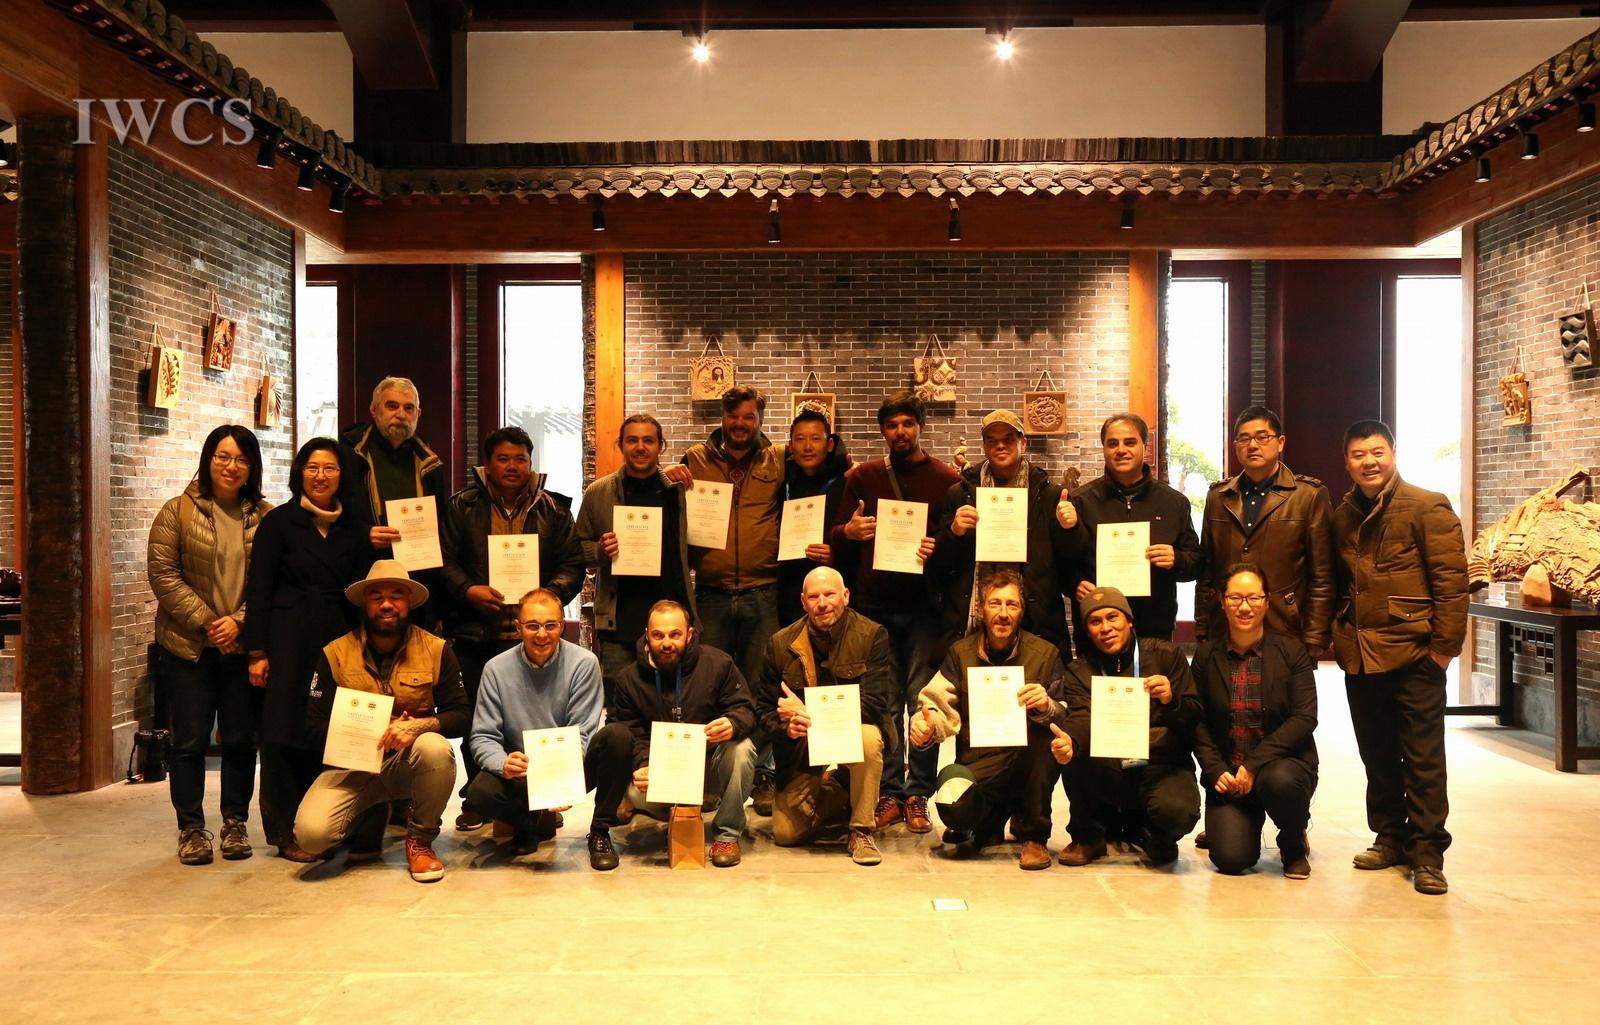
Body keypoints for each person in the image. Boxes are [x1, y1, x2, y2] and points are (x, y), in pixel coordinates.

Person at [1333, 419, 1467, 896]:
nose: (1368, 462)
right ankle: (1389, 836)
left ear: (1392, 453)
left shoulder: (1427, 506)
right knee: (1377, 754)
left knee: (1424, 759)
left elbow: (1452, 585)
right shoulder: (1343, 514)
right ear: (1346, 462)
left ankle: (1427, 853)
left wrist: (1442, 652)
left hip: (1414, 656)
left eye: (1377, 452)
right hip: (1360, 657)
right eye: (1358, 455)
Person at [441, 425, 585, 831]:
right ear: (487, 464)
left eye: (520, 459)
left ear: (530, 462)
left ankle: (544, 795)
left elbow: (573, 565)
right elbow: (444, 561)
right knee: (478, 720)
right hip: (477, 633)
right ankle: (478, 797)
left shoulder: (554, 509)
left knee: (536, 721)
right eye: (503, 459)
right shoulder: (461, 507)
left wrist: (545, 597)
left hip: (535, 639)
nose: (512, 466)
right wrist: (468, 590)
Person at [830, 389, 957, 834]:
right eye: (891, 425)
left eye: (907, 424)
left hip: (924, 610)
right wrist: (849, 531)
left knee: (923, 700)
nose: (900, 432)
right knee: (881, 702)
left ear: (920, 426)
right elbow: (835, 536)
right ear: (882, 431)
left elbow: (955, 549)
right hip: (874, 608)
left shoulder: (946, 480)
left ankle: (918, 792)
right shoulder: (863, 477)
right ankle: (889, 790)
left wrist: (937, 547)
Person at [147, 425, 273, 865]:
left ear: (252, 467)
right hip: (189, 647)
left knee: (240, 740)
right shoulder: (176, 511)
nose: (231, 466)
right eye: (222, 456)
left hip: (241, 648)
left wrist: (238, 623)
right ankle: (191, 828)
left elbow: (273, 581)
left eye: (241, 459)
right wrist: (208, 622)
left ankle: (235, 823)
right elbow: (163, 575)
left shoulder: (266, 517)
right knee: (189, 741)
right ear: (208, 459)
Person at [242, 438, 373, 861]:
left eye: (330, 468)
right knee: (283, 731)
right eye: (312, 467)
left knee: (336, 728)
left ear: (342, 475)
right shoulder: (279, 522)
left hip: (341, 636)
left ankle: (333, 823)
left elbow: (364, 588)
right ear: (300, 472)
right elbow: (259, 589)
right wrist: (257, 652)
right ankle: (285, 832)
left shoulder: (356, 525)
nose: (320, 476)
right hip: (288, 636)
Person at [295, 562, 467, 882]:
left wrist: (415, 727)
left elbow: (460, 716)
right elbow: (313, 728)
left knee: (434, 748)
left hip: (408, 765)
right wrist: (377, 728)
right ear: (365, 603)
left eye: (396, 595)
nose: (386, 604)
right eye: (377, 597)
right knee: (311, 836)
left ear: (409, 602)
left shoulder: (437, 649)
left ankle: (420, 841)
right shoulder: (335, 653)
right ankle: (370, 816)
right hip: (353, 767)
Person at [910, 569, 1071, 870]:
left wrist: (1047, 706)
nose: (1003, 614)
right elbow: (936, 705)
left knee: (1046, 734)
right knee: (953, 805)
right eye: (995, 603)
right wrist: (926, 727)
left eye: (1012, 605)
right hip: (981, 761)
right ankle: (989, 821)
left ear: (1022, 611)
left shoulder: (1045, 654)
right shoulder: (960, 652)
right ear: (981, 608)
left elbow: (1065, 714)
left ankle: (1033, 835)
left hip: (1026, 762)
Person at [460, 588, 630, 871]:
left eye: (550, 625)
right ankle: (527, 822)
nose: (542, 634)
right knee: (479, 793)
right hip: (522, 771)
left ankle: (600, 831)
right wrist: (502, 763)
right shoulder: (495, 669)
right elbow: (482, 736)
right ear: (518, 627)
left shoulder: (584, 663)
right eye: (532, 626)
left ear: (562, 625)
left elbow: (583, 732)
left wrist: (558, 784)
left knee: (618, 737)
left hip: (571, 766)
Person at [592, 601, 759, 867]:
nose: (667, 643)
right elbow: (631, 730)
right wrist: (643, 764)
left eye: (675, 634)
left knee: (742, 749)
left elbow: (746, 708)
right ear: (647, 635)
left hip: (707, 772)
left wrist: (733, 722)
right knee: (635, 789)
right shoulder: (628, 679)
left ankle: (727, 835)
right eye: (658, 635)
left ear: (689, 634)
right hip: (659, 774)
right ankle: (649, 803)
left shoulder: (718, 664)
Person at [1054, 586, 1202, 868]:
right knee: (1070, 751)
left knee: (1178, 812)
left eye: (1113, 617)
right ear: (1087, 631)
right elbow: (1081, 717)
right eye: (1095, 622)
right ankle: (1088, 836)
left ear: (1129, 621)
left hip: (1159, 764)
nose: (1105, 628)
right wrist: (1071, 742)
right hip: (1108, 766)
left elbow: (1193, 718)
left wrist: (1171, 700)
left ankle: (1159, 836)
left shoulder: (1166, 655)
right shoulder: (1080, 670)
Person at [756, 567, 893, 866]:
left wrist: (809, 713)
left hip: (852, 735)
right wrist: (787, 727)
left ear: (846, 596)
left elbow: (874, 703)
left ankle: (861, 830)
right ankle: (841, 789)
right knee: (786, 834)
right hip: (802, 747)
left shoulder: (872, 635)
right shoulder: (779, 643)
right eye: (814, 597)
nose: (822, 603)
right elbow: (764, 709)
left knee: (869, 738)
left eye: (830, 594)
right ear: (803, 601)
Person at [1191, 563, 1318, 879]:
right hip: (1230, 776)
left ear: (1267, 601)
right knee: (1232, 859)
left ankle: (1292, 842)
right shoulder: (1206, 656)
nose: (1244, 607)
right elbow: (1196, 719)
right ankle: (1244, 824)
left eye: (1253, 598)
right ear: (1223, 602)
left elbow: (1305, 717)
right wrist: (1214, 768)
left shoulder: (1291, 652)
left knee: (1280, 782)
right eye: (1235, 598)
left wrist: (1254, 765)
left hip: (1280, 768)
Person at [930, 408, 1080, 654]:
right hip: (973, 620)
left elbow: (1069, 561)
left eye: (1008, 438)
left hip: (1036, 621)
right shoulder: (959, 494)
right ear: (984, 446)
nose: (1000, 445)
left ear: (1023, 442)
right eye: (992, 440)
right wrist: (953, 532)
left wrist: (1070, 529)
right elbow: (939, 566)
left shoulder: (1049, 495)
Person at [575, 413, 695, 709]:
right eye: (632, 440)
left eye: (648, 440)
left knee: (672, 704)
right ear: (620, 445)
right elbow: (576, 549)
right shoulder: (598, 492)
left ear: (661, 446)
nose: (640, 447)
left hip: (670, 620)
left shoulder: (678, 490)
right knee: (621, 706)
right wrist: (599, 551)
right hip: (620, 621)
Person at [1195, 405, 1335, 652]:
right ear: (1236, 445)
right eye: (1244, 438)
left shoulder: (1308, 496)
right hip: (1225, 627)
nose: (1252, 445)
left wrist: (1315, 635)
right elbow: (1206, 569)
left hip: (1285, 626)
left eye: (1262, 437)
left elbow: (1323, 576)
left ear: (1280, 443)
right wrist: (1202, 624)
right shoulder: (1219, 496)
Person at [681, 385, 785, 694]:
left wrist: (847, 464)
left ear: (760, 420)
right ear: (722, 417)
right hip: (711, 594)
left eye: (748, 417)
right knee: (709, 683)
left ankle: (756, 731)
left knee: (762, 684)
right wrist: (665, 474)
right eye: (732, 416)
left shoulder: (779, 459)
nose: (740, 423)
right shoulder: (695, 459)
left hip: (763, 594)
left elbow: (822, 460)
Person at [1069, 412, 1202, 641]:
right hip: (1098, 631)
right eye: (1113, 444)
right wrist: (1074, 585)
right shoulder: (1081, 501)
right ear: (1104, 449)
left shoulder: (1174, 502)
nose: (1121, 450)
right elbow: (1062, 561)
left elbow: (1197, 563)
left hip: (1154, 629)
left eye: (1130, 442)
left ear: (1145, 446)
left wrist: (1177, 559)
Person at [777, 408, 852, 626]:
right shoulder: (780, 482)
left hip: (829, 594)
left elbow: (857, 543)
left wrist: (835, 554)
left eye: (816, 439)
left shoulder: (847, 484)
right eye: (800, 439)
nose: (808, 447)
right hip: (787, 592)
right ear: (791, 445)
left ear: (830, 444)